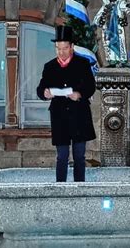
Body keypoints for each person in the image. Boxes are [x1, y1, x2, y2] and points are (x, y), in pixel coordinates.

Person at [37, 25, 96, 182]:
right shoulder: (49, 67)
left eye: (64, 48)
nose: (61, 52)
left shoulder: (82, 64)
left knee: (79, 156)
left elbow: (91, 86)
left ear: (72, 47)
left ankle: (79, 187)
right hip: (59, 116)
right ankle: (60, 188)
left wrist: (79, 94)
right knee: (61, 156)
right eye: (58, 49)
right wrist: (44, 93)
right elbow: (41, 87)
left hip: (79, 115)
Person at [92, 0, 130, 66]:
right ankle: (111, 60)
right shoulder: (105, 6)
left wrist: (128, 5)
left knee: (120, 42)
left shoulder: (120, 4)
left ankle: (122, 59)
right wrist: (97, 21)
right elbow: (98, 16)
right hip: (107, 28)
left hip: (117, 27)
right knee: (108, 43)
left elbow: (126, 8)